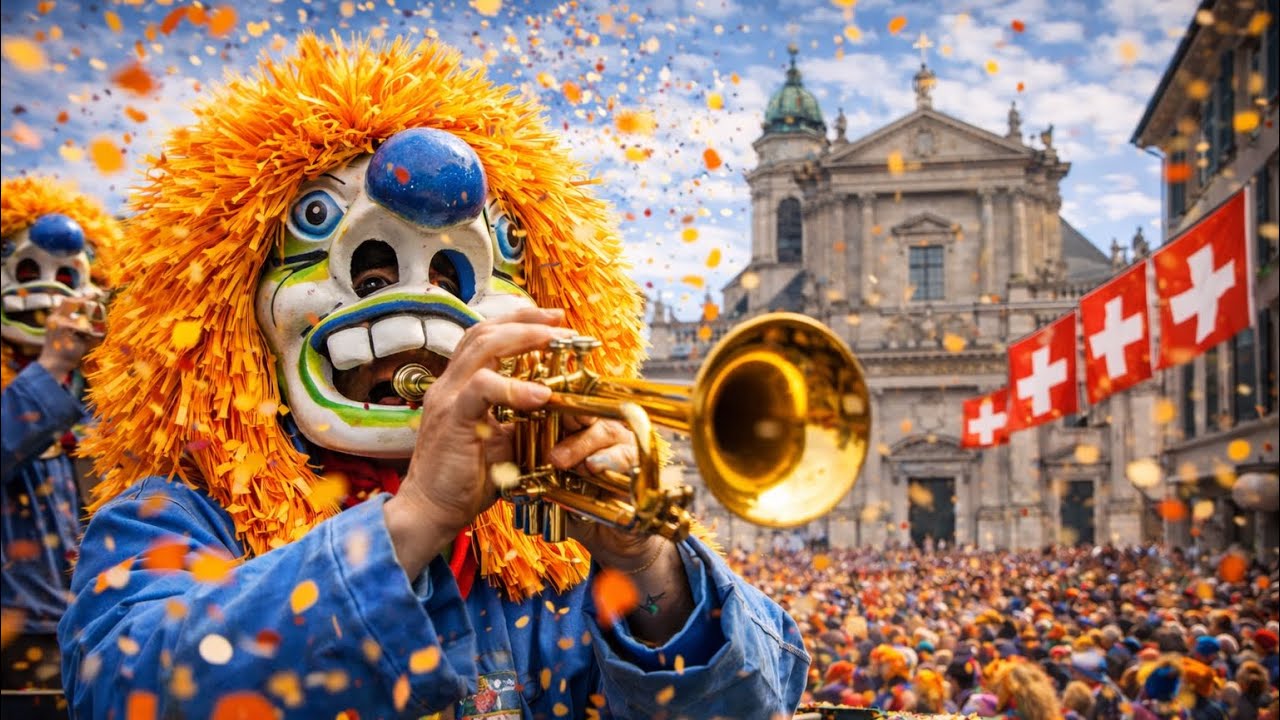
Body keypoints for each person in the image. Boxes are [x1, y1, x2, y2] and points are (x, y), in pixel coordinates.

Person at [56, 34, 810, 718]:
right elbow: (134, 694)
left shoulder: (551, 546)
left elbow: (754, 707)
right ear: (230, 313)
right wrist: (416, 517)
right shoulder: (170, 517)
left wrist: (650, 569)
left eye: (456, 277)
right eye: (371, 273)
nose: (421, 310)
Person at [2, 176, 120, 718]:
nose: (49, 292)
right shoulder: (52, 371)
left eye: (68, 276)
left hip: (91, 624)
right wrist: (51, 365)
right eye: (28, 272)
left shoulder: (98, 385)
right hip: (16, 630)